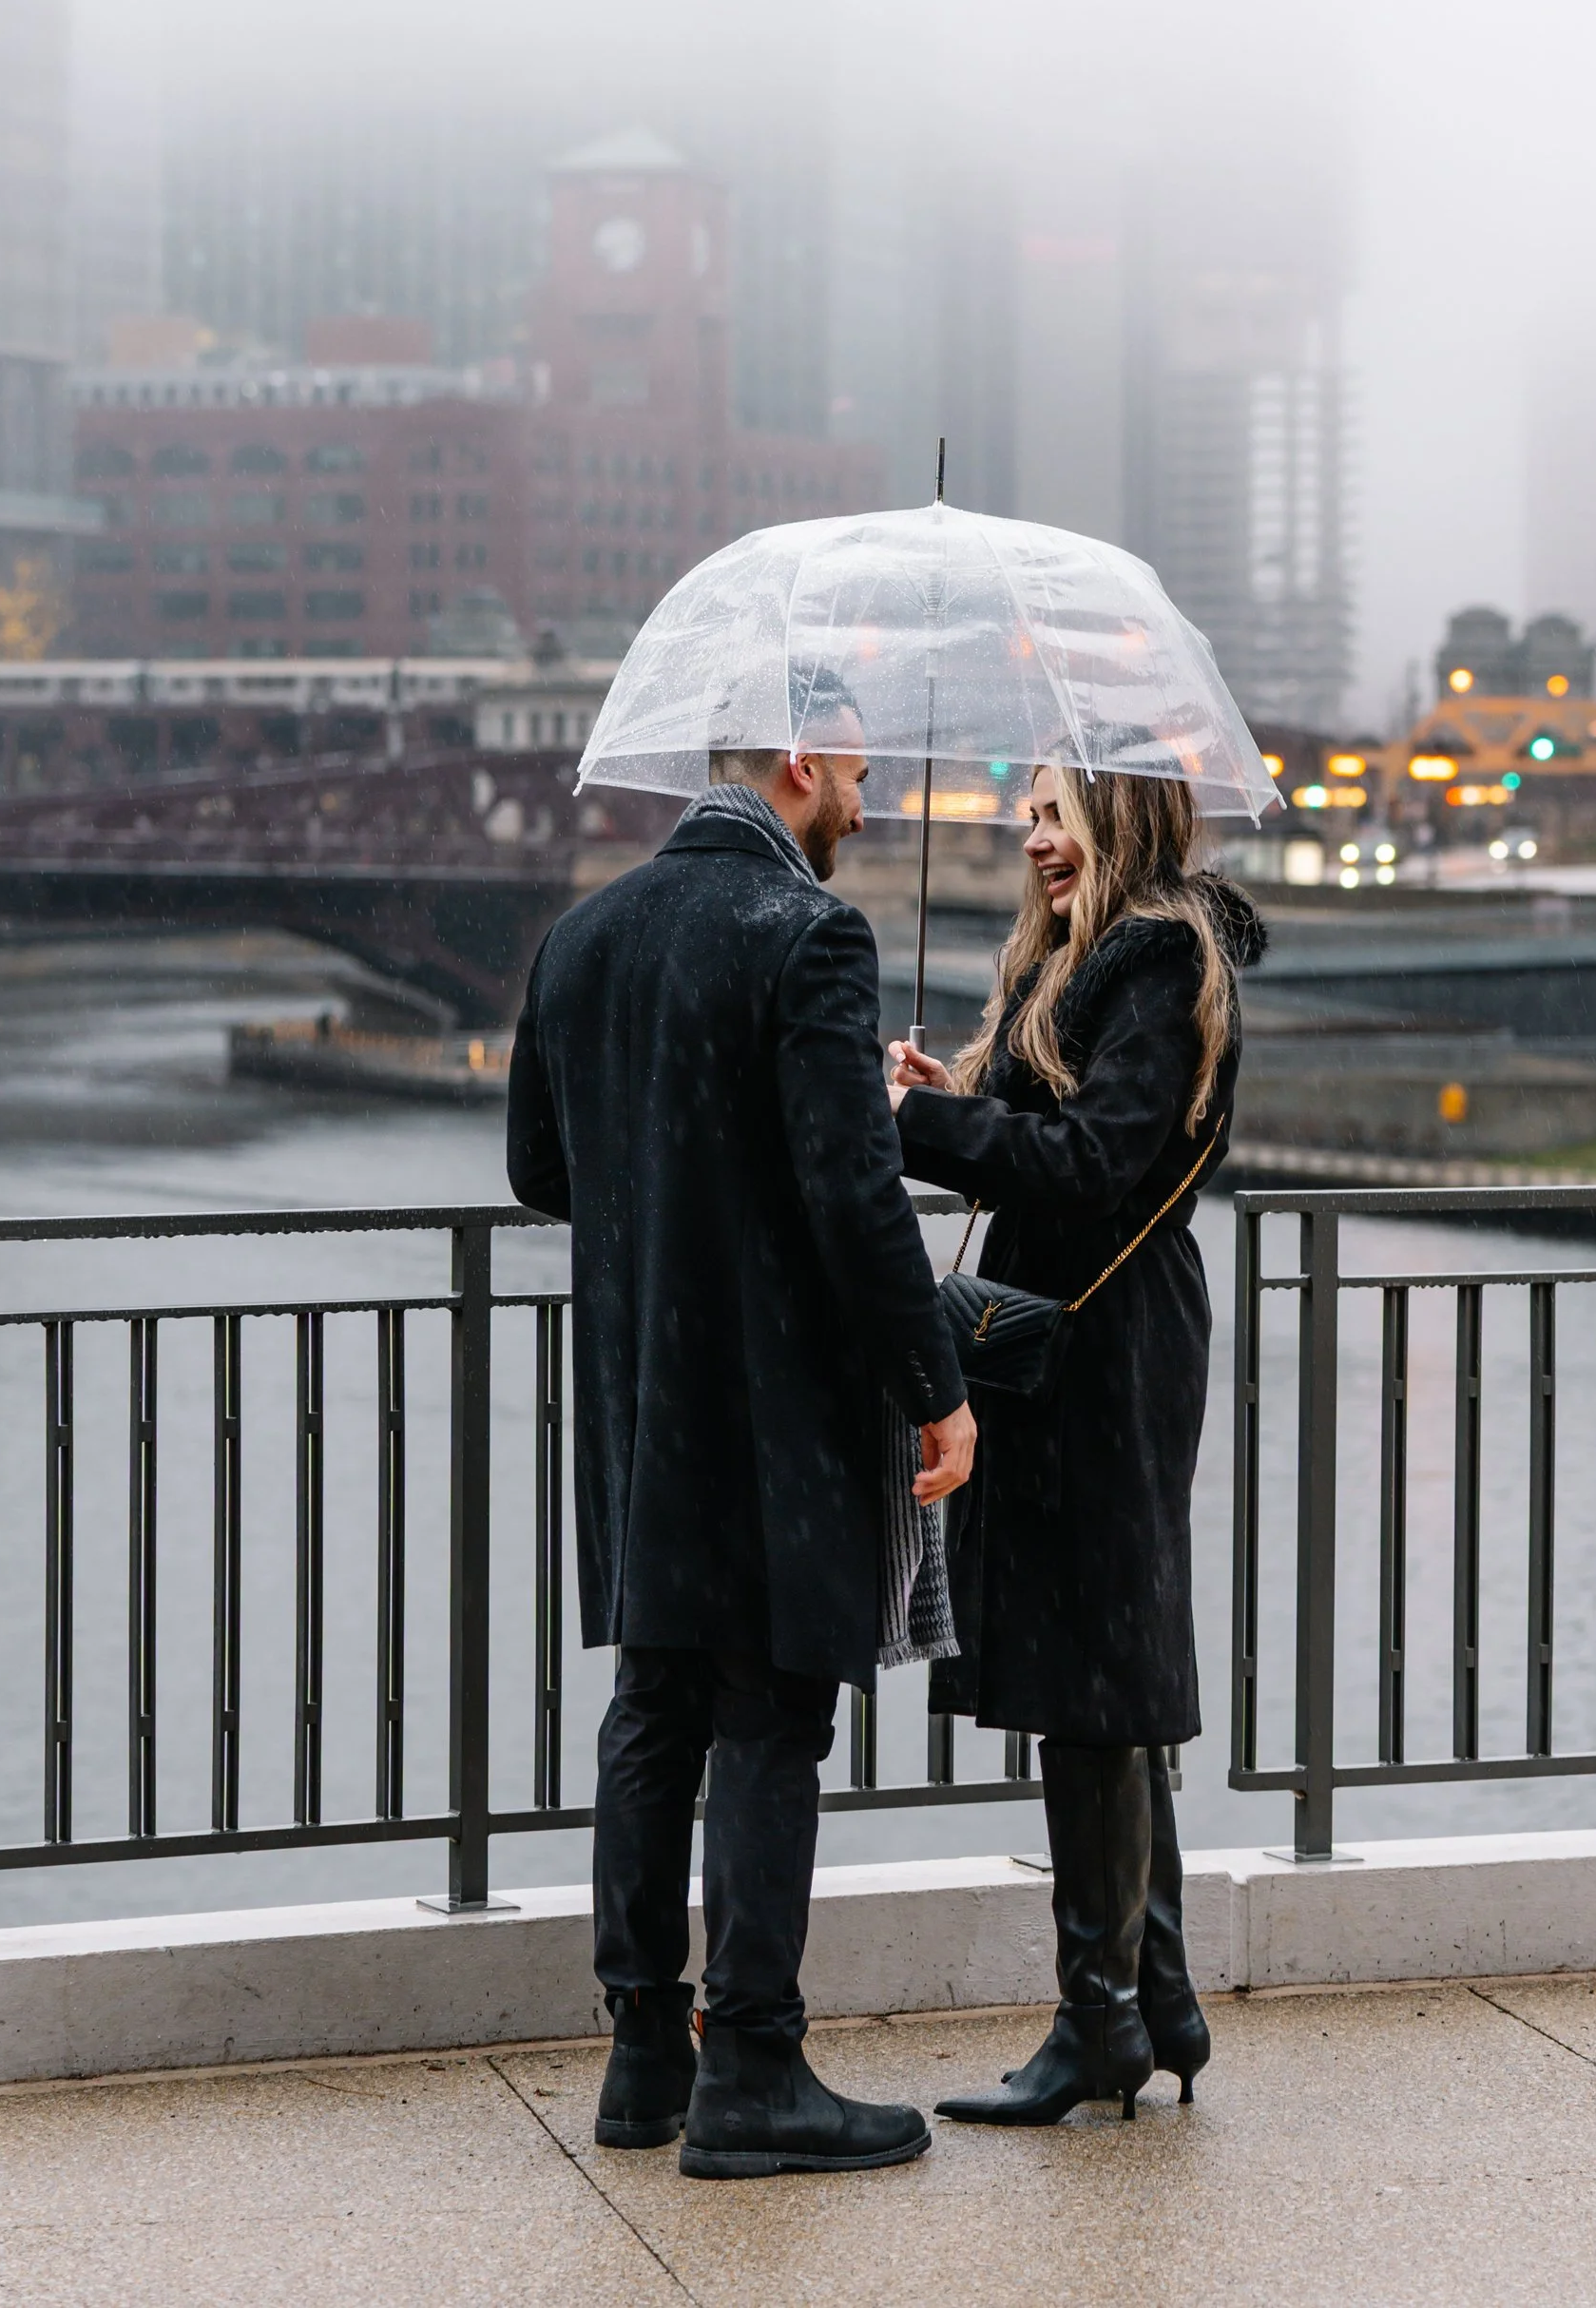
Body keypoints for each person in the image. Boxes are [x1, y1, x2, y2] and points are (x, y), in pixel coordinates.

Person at [508, 714, 976, 2181]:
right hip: (776, 1409)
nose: (863, 794)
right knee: (774, 1718)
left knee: (656, 1707)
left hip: (645, 1401)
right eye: (849, 769)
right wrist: (938, 1386)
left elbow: (537, 1169)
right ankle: (757, 2071)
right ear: (790, 765)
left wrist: (677, 1177)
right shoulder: (811, 936)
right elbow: (852, 1198)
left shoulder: (583, 939)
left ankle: (647, 2055)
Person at [887, 763, 1261, 2126]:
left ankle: (1098, 2022)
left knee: (1099, 1675)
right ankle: (1155, 1999)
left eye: (1057, 811)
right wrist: (955, 1092)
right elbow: (1059, 1132)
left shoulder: (1158, 959)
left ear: (1123, 815)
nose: (1033, 835)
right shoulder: (1100, 960)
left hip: (1109, 1346)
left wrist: (921, 1122)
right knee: (1090, 1666)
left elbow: (1098, 1164)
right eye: (1031, 812)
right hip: (1077, 1338)